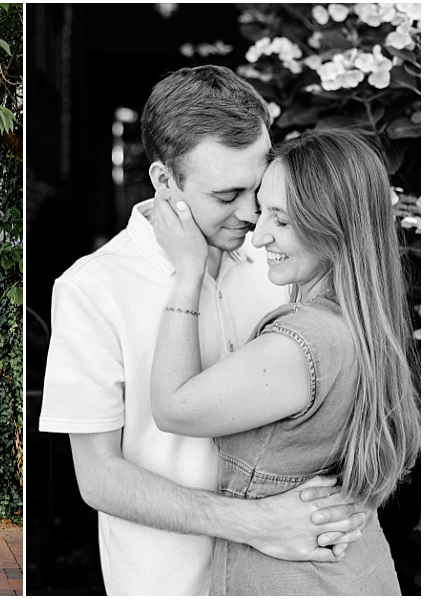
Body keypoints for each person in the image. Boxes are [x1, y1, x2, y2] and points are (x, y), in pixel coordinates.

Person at [39, 66, 368, 595]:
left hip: (293, 577)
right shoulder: (92, 287)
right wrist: (258, 524)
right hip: (166, 581)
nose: (250, 215)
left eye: (257, 189)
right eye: (226, 195)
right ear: (165, 180)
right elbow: (98, 476)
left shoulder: (280, 260)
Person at [149, 128, 419, 595]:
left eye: (283, 220)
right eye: (263, 211)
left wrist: (187, 275)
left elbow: (173, 407)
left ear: (335, 226)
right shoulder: (364, 324)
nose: (258, 235)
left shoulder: (302, 342)